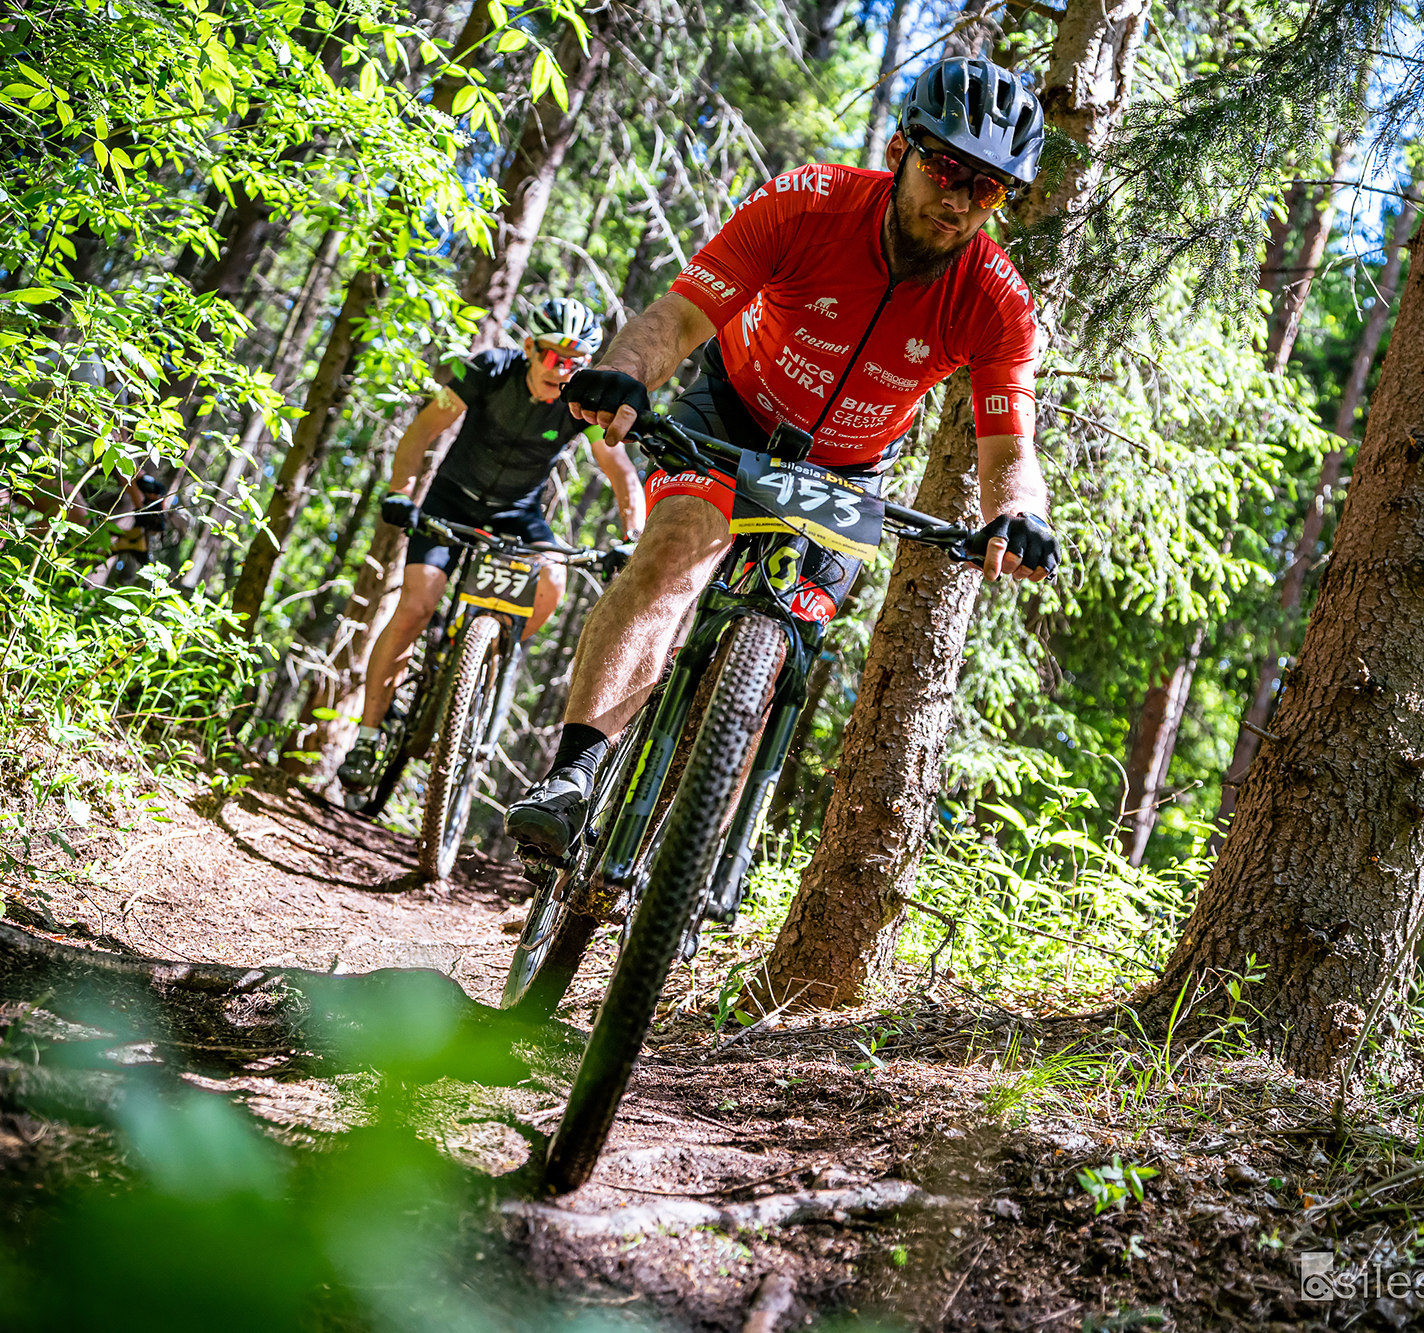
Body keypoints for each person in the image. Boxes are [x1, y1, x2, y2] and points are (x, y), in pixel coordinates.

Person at [504, 57, 1061, 857]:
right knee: (674, 552)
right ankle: (573, 774)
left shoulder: (996, 298)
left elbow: (1009, 444)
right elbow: (680, 316)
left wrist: (1021, 513)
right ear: (901, 149)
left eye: (989, 189)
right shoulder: (810, 202)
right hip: (733, 413)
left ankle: (682, 876)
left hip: (848, 470)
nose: (959, 201)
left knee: (777, 660)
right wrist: (624, 373)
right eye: (945, 168)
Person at [338, 297, 647, 791]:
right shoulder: (488, 369)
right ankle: (368, 737)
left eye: (576, 361)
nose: (562, 370)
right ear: (529, 347)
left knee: (553, 580)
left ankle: (495, 653)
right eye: (553, 355)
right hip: (451, 501)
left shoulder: (581, 403)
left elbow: (620, 471)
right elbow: (422, 430)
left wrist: (633, 536)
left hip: (516, 514)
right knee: (415, 607)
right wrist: (399, 492)